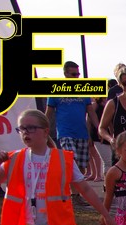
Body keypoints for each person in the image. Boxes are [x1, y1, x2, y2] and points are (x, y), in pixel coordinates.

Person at [44, 62, 98, 200]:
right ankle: (72, 193)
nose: (76, 77)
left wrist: (99, 128)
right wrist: (43, 128)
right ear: (65, 74)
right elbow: (49, 112)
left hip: (81, 133)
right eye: (73, 74)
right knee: (70, 160)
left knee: (81, 164)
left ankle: (76, 193)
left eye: (78, 74)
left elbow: (90, 111)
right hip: (65, 133)